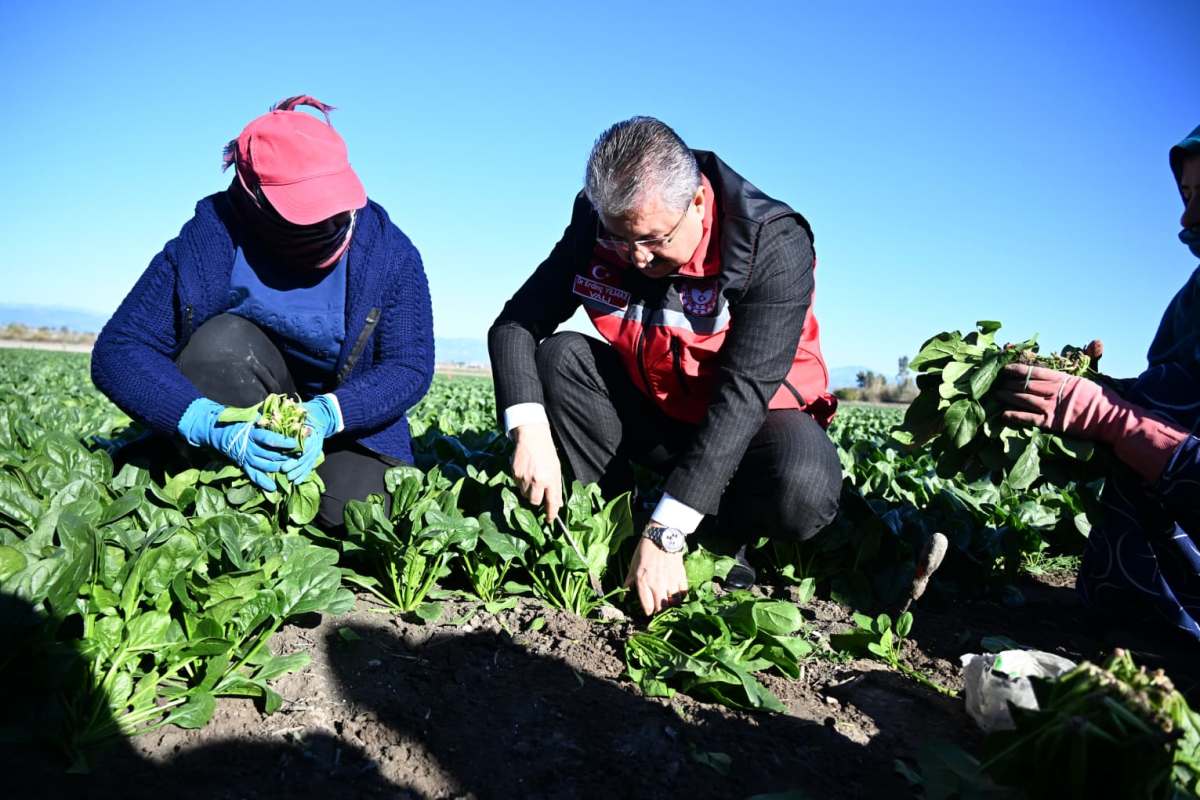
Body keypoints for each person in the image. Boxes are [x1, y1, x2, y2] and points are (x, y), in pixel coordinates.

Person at [488, 117, 843, 616]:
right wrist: (528, 428)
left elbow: (741, 398)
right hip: (660, 413)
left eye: (654, 240)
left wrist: (668, 530)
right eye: (620, 239)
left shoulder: (771, 242)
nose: (635, 258)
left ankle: (720, 541)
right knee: (562, 356)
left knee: (802, 484)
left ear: (697, 201)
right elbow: (514, 324)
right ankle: (614, 531)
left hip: (750, 427)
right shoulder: (599, 225)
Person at [92, 96, 434, 530]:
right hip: (240, 406)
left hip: (343, 426)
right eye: (308, 212)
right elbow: (119, 349)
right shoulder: (211, 238)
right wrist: (208, 424)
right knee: (218, 346)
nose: (332, 223)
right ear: (253, 197)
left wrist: (328, 414)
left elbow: (409, 366)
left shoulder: (389, 254)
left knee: (356, 518)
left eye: (337, 205)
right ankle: (213, 467)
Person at [995, 125, 1200, 643]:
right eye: (1187, 195)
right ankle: (1135, 610)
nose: (1187, 218)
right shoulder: (1194, 299)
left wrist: (1112, 417)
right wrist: (1096, 388)